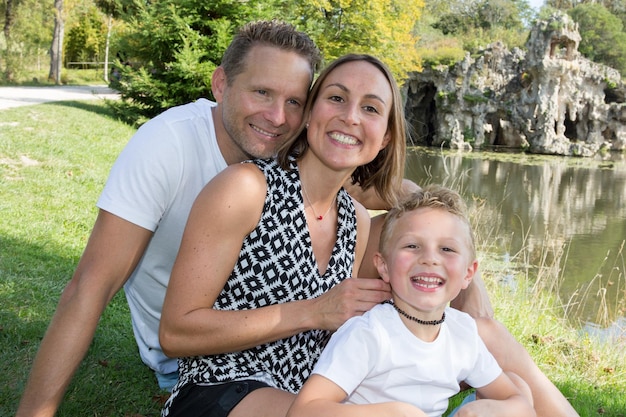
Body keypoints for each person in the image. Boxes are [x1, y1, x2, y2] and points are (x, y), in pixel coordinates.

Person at [15, 20, 324, 417]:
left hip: (281, 345)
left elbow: (358, 183)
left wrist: (405, 193)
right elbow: (90, 287)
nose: (278, 117)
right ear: (220, 84)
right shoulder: (167, 146)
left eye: (294, 102)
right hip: (193, 356)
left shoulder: (288, 148)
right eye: (262, 92)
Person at [158, 53, 406, 417]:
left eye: (371, 109)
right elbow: (175, 333)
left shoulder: (357, 221)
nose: (350, 116)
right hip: (220, 388)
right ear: (309, 114)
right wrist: (313, 312)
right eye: (336, 98)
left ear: (384, 137)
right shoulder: (246, 188)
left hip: (306, 401)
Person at [287, 185, 536, 417]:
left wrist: (488, 410)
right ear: (383, 266)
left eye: (446, 249)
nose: (430, 259)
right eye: (412, 245)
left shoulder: (463, 333)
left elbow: (518, 402)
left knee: (519, 386)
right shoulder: (368, 334)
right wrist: (391, 413)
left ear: (468, 274)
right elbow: (303, 410)